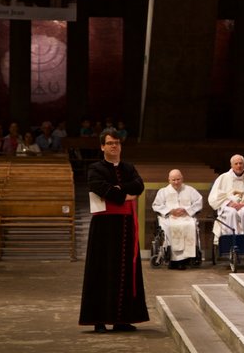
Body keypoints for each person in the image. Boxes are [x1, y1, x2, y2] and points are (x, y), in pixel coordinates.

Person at [79, 128, 149, 333]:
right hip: (104, 227)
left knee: (126, 271)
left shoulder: (129, 167)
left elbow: (139, 185)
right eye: (110, 143)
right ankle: (99, 320)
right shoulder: (95, 168)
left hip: (126, 226)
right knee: (101, 270)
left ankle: (122, 320)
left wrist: (119, 189)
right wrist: (122, 194)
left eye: (117, 143)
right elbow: (98, 186)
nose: (114, 146)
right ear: (102, 146)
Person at [152, 169, 202, 270]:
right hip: (169, 217)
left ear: (182, 178)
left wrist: (186, 210)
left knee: (190, 225)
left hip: (186, 216)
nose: (176, 182)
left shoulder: (190, 190)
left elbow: (198, 202)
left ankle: (186, 259)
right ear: (169, 180)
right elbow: (156, 205)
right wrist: (170, 211)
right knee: (170, 226)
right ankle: (173, 259)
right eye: (173, 180)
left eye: (178, 179)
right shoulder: (163, 191)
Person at [207, 154, 244, 243]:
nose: (239, 166)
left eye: (240, 163)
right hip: (228, 207)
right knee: (232, 212)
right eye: (236, 163)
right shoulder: (223, 178)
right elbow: (214, 197)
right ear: (231, 165)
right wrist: (229, 203)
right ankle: (231, 242)